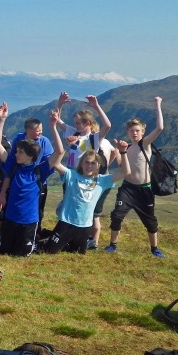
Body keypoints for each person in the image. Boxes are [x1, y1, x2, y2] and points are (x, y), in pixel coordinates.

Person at [41, 109, 130, 254]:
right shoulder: (71, 175)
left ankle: (71, 240)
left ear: (98, 165)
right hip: (66, 223)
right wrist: (54, 128)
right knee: (48, 251)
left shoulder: (102, 180)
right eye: (87, 163)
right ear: (81, 164)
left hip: (85, 227)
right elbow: (56, 162)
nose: (89, 166)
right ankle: (51, 237)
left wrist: (123, 152)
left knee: (77, 254)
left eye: (93, 163)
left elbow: (126, 172)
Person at [105, 97, 165, 257]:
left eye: (138, 130)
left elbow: (159, 128)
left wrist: (158, 104)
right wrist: (119, 151)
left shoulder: (145, 144)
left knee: (150, 222)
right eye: (132, 131)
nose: (135, 133)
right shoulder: (128, 147)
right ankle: (112, 245)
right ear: (128, 132)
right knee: (117, 215)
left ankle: (154, 249)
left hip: (145, 190)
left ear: (143, 132)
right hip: (127, 188)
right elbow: (122, 166)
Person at [0, 103, 54, 238]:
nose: (40, 132)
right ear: (28, 130)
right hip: (19, 178)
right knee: (14, 207)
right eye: (37, 130)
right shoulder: (19, 139)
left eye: (41, 129)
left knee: (37, 211)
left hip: (36, 181)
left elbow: (52, 159)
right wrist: (2, 120)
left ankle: (34, 235)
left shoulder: (44, 141)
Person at [0, 139, 54, 257]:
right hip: (10, 219)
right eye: (17, 151)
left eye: (20, 152)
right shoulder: (14, 166)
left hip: (28, 222)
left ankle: (39, 242)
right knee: (4, 251)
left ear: (30, 156)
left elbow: (59, 153)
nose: (16, 154)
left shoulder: (40, 171)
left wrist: (54, 127)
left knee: (22, 254)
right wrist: (1, 121)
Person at [55, 93, 112, 170]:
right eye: (75, 123)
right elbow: (56, 119)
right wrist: (60, 103)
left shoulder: (94, 138)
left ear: (87, 123)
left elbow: (107, 126)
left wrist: (96, 106)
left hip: (87, 172)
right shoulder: (73, 132)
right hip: (71, 171)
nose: (75, 125)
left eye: (78, 123)